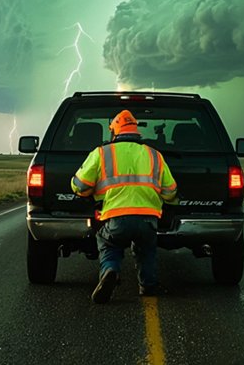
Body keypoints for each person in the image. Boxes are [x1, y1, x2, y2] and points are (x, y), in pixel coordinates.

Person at [71, 109, 178, 303]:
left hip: (116, 217)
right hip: (148, 219)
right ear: (136, 131)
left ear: (114, 132)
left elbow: (81, 186)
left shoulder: (102, 153)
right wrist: (174, 205)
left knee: (108, 243)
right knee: (147, 249)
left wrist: (83, 191)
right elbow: (170, 192)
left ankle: (110, 269)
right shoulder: (154, 155)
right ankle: (148, 286)